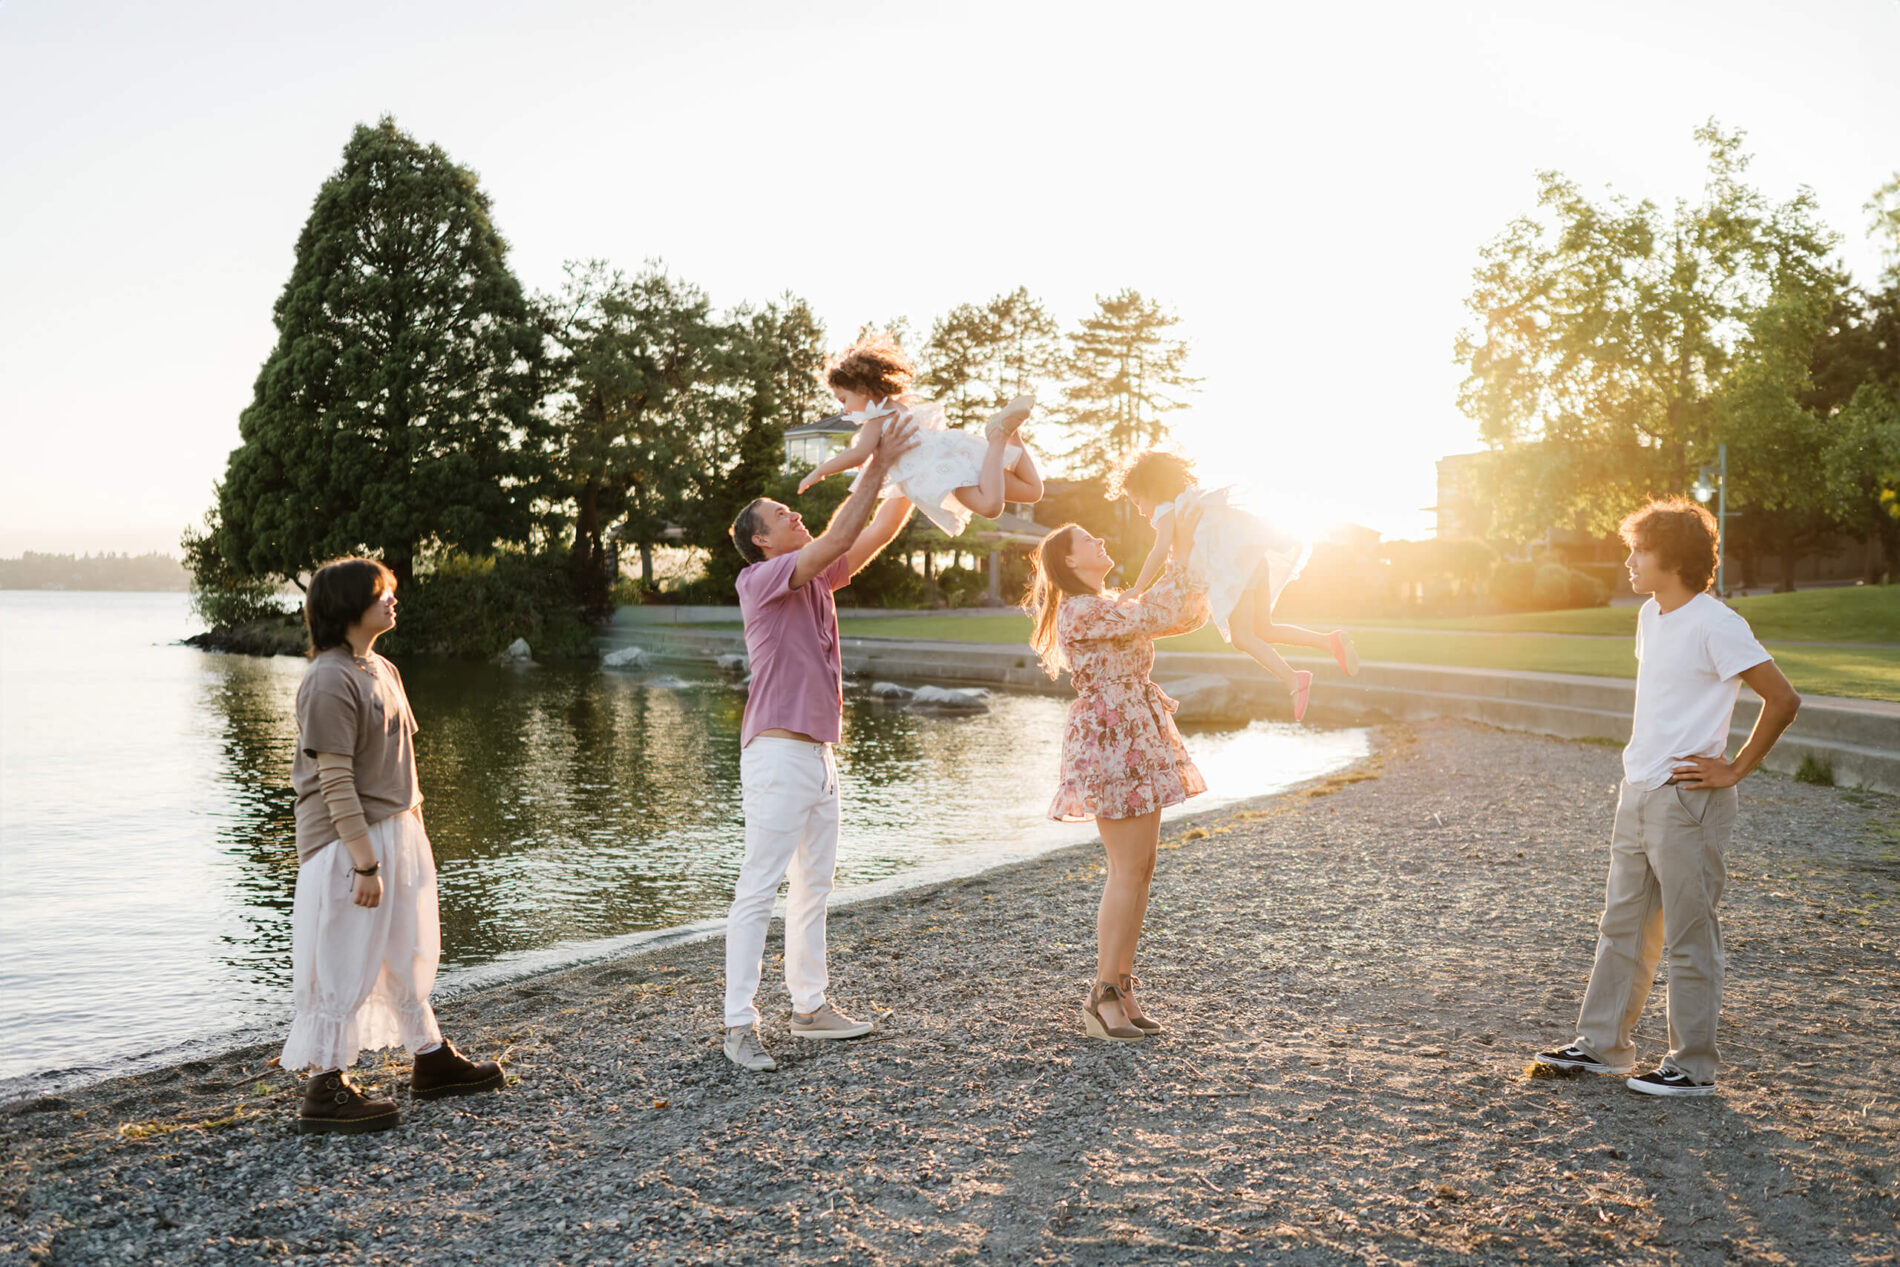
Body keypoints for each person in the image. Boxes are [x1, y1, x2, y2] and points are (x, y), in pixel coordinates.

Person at [1536, 498, 1800, 1097]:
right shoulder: (1651, 616)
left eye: (1639, 552)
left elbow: (1783, 699)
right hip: (1639, 789)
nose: (1628, 561)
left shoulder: (1717, 623)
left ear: (1673, 559)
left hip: (1689, 800)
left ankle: (1693, 1067)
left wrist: (1733, 769)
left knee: (1688, 933)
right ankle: (1603, 1047)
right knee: (1622, 926)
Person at [720, 414, 922, 1071]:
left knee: (813, 888)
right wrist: (876, 460)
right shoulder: (760, 581)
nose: (793, 514)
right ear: (761, 539)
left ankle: (809, 1007)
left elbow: (873, 529)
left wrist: (917, 468)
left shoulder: (814, 577)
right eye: (781, 514)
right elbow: (840, 529)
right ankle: (737, 1024)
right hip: (777, 753)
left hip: (818, 757)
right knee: (759, 887)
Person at [282, 557, 504, 1134]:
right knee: (344, 956)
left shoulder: (382, 667)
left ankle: (429, 1059)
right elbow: (334, 780)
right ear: (349, 606)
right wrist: (364, 862)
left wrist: (410, 837)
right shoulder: (328, 678)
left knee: (409, 948)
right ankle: (325, 1088)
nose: (392, 601)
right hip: (347, 843)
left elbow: (396, 765)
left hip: (398, 828)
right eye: (382, 593)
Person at [1024, 520, 1210, 1041]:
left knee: (1143, 867)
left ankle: (1123, 988)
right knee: (1127, 869)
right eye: (1088, 539)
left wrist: (1187, 555)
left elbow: (1183, 617)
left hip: (1134, 733)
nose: (1100, 540)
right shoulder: (1084, 609)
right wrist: (1178, 547)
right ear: (1069, 561)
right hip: (1111, 739)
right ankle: (1102, 994)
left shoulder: (1107, 604)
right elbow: (1160, 611)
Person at [1113, 449, 1358, 723]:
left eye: (1137, 501)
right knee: (1264, 629)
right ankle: (1328, 641)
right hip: (1253, 560)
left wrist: (1137, 588)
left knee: (1242, 637)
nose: (1140, 510)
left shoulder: (1167, 509)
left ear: (1151, 490)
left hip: (1236, 570)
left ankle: (1294, 679)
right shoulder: (1192, 500)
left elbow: (1159, 551)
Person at [796, 333, 1044, 537]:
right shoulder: (896, 404)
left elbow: (856, 453)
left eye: (844, 399)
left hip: (940, 469)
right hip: (956, 450)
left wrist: (820, 471)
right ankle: (1009, 432)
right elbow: (872, 454)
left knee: (991, 507)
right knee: (1033, 491)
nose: (845, 409)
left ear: (863, 389)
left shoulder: (876, 417)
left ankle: (999, 435)